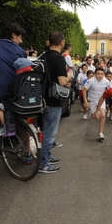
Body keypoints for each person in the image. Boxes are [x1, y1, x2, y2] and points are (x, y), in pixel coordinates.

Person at [39, 31, 72, 173]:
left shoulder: (43, 56)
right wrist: (69, 75)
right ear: (62, 42)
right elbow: (62, 81)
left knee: (46, 131)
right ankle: (43, 164)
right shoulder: (59, 59)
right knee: (49, 134)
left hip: (42, 98)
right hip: (53, 100)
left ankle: (46, 156)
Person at [84, 67, 112, 141]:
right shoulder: (90, 81)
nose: (100, 76)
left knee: (102, 115)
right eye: (98, 74)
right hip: (92, 100)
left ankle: (101, 133)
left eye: (102, 74)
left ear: (104, 75)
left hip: (101, 100)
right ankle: (93, 113)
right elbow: (84, 90)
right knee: (95, 117)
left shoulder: (106, 81)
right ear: (95, 74)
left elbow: (111, 90)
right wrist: (85, 101)